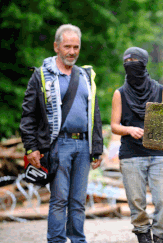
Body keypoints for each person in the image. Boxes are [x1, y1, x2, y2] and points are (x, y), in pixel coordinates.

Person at [20, 24, 103, 242]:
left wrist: (97, 148)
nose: (72, 51)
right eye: (67, 46)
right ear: (56, 46)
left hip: (83, 146)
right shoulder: (41, 76)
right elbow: (28, 115)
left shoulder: (85, 75)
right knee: (59, 199)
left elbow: (94, 113)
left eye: (76, 47)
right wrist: (31, 148)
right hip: (58, 145)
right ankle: (56, 240)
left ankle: (77, 239)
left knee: (78, 200)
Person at [111, 47, 163, 243]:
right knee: (137, 203)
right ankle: (143, 236)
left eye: (135, 60)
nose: (131, 63)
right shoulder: (119, 93)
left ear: (144, 62)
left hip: (159, 154)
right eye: (127, 60)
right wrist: (129, 130)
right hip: (131, 154)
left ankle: (160, 237)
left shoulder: (160, 90)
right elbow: (114, 125)